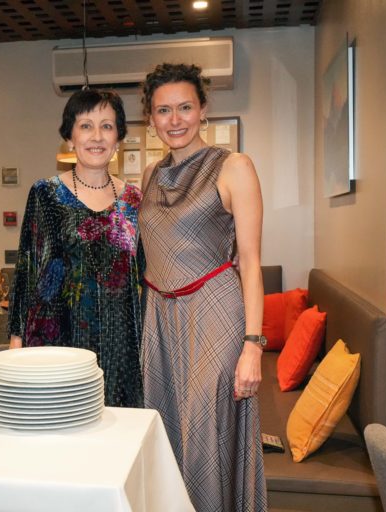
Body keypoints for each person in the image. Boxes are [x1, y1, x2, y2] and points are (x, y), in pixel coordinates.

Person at [138, 63, 267, 511]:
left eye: (185, 108)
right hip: (160, 320)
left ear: (203, 109)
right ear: (151, 118)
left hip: (215, 316)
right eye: (163, 110)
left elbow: (250, 262)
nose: (175, 120)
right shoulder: (150, 174)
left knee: (206, 437)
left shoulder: (233, 167)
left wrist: (253, 346)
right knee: (163, 430)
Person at [7, 88, 144, 408]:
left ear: (118, 139)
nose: (97, 136)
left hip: (120, 346)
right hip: (58, 340)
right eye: (85, 126)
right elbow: (27, 268)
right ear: (69, 138)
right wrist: (16, 337)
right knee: (61, 424)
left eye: (107, 126)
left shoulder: (134, 200)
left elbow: (144, 275)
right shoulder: (46, 194)